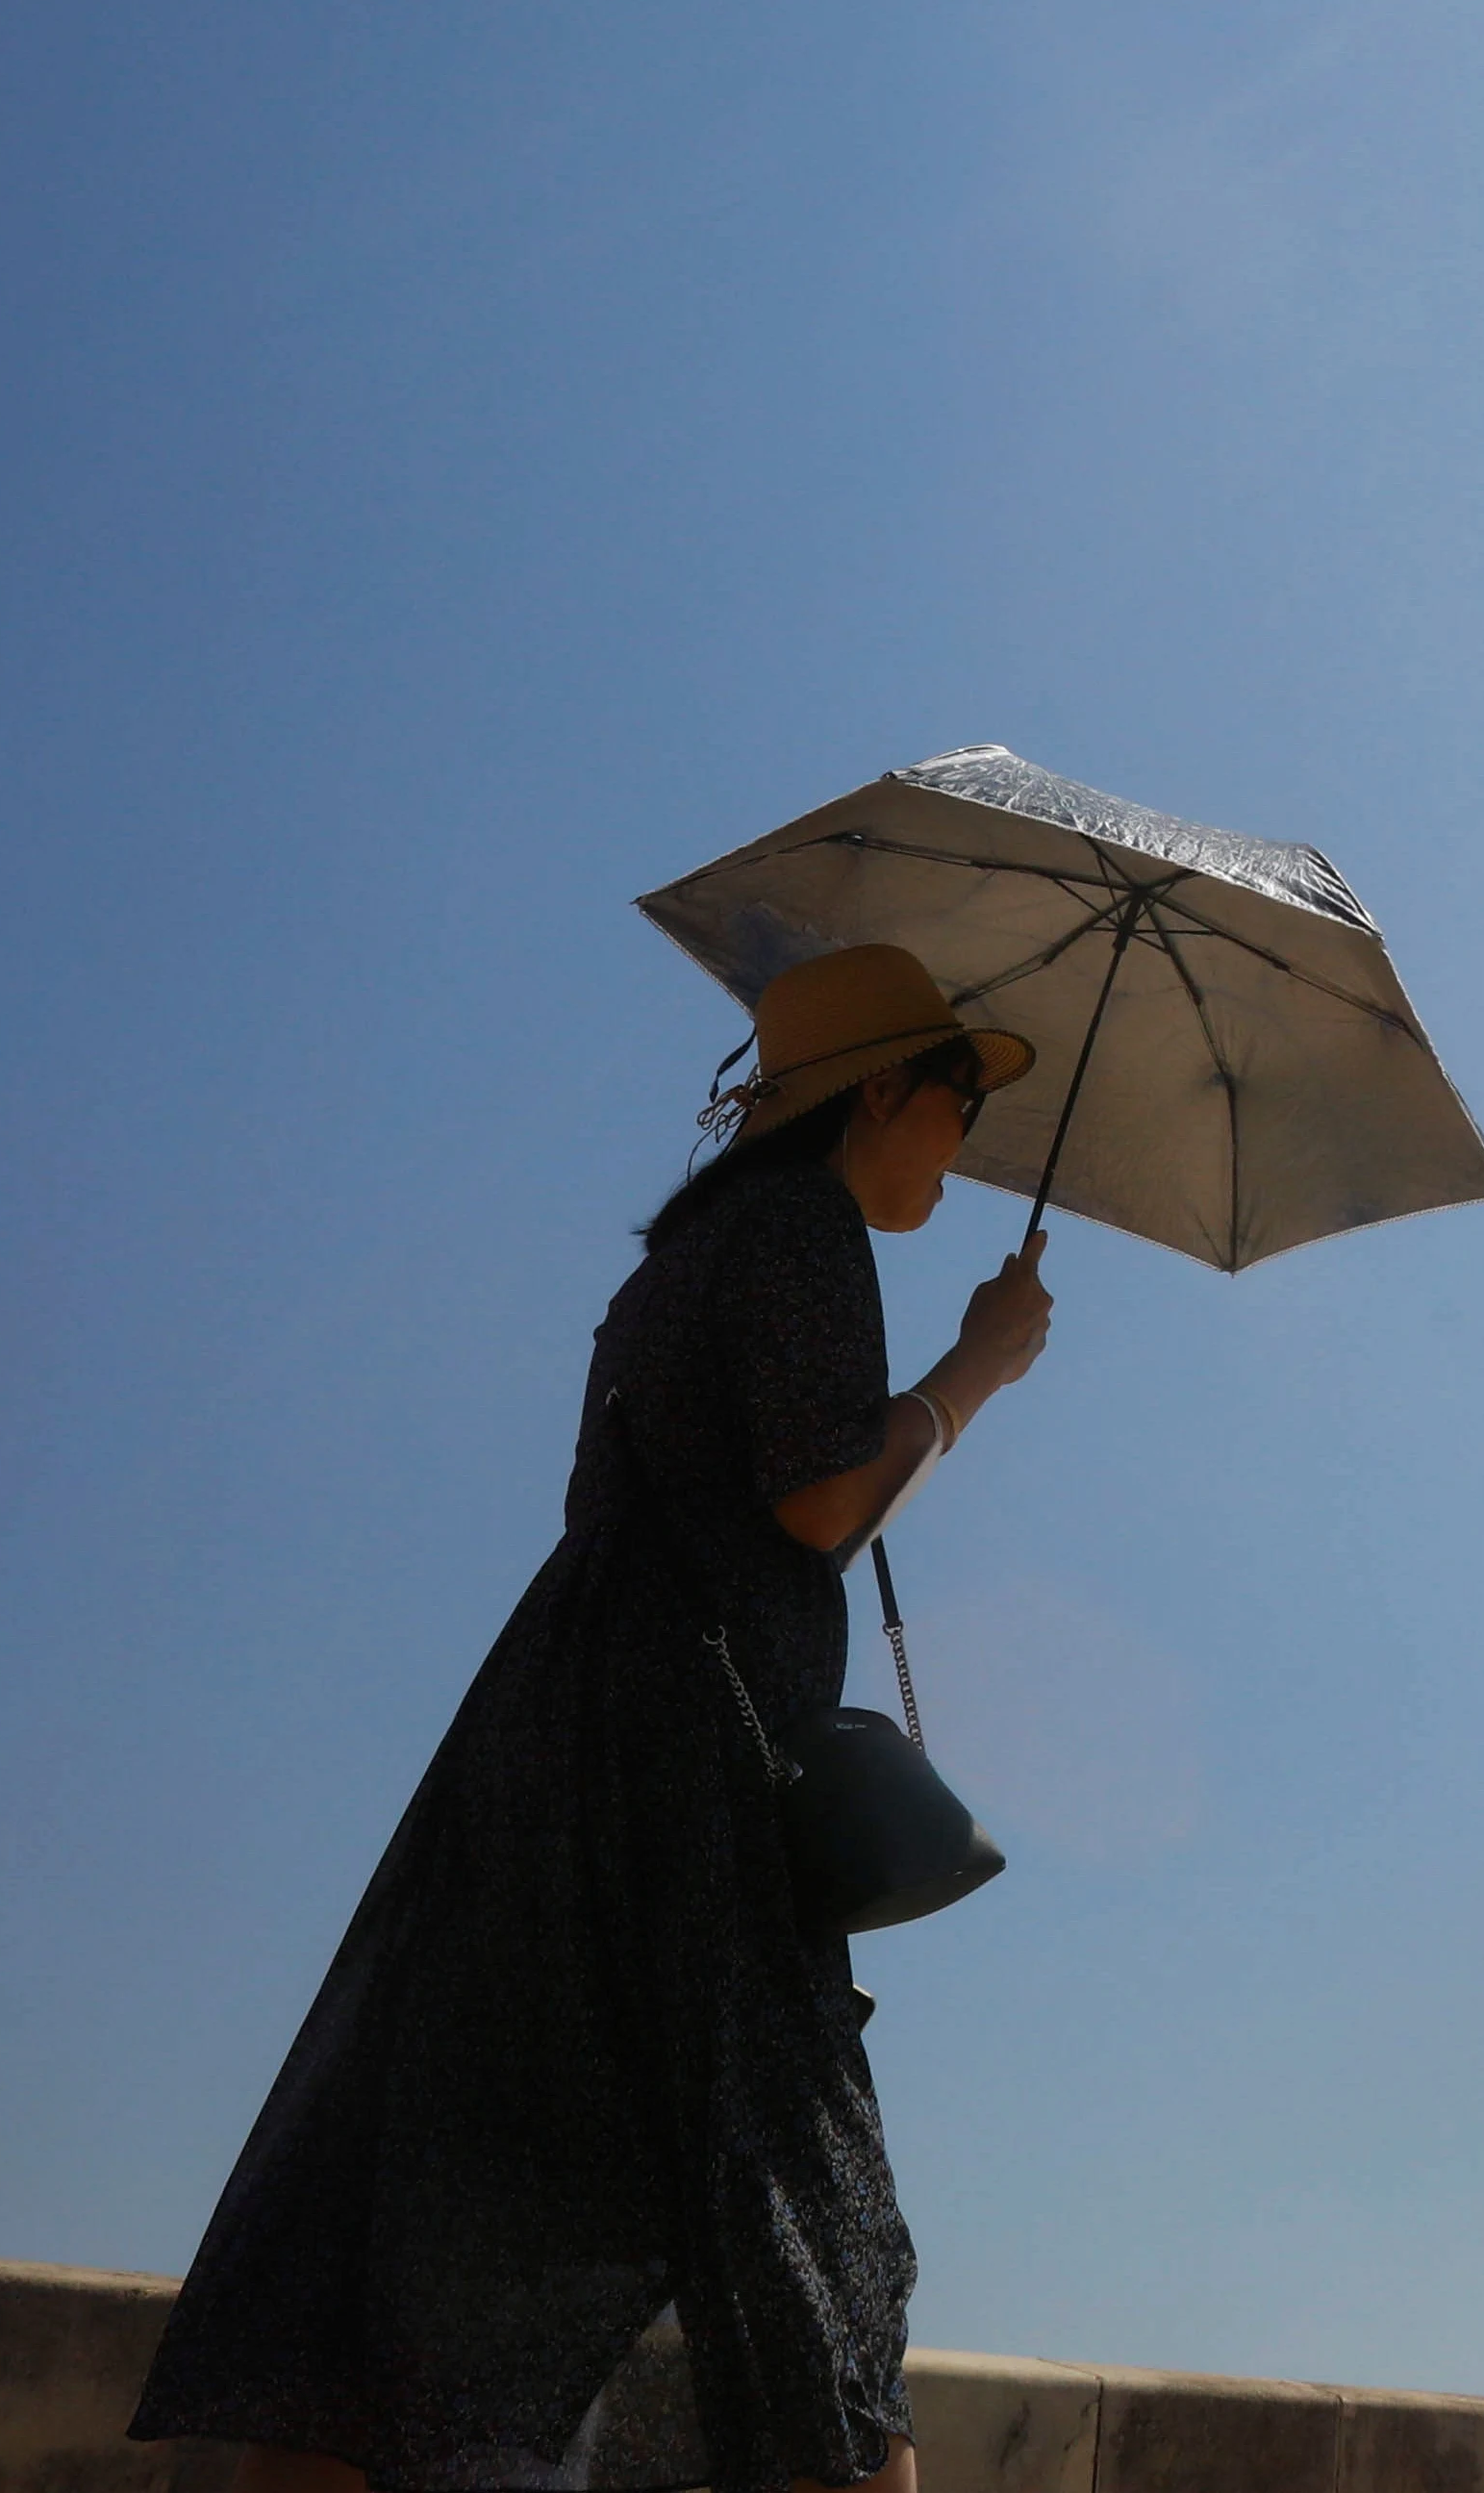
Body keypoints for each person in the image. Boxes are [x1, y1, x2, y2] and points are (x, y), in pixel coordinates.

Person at [135, 943, 1058, 2493]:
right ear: (882, 1087)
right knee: (809, 2223)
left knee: (445, 2217)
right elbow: (820, 1500)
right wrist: (975, 1371)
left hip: (555, 1747)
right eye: (958, 1097)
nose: (966, 1143)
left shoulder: (676, 1265)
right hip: (689, 1780)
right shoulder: (804, 1227)